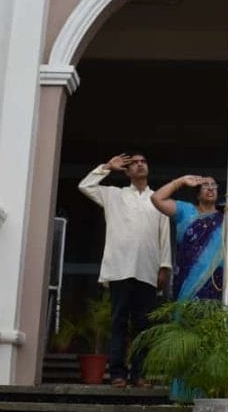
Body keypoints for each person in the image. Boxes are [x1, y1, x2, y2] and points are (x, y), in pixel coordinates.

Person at [78, 153, 171, 389]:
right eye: (134, 163)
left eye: (143, 161)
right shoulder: (114, 195)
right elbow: (85, 185)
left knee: (143, 326)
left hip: (147, 270)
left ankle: (139, 375)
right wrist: (107, 167)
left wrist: (164, 267)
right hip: (119, 269)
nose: (140, 164)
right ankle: (117, 375)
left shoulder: (157, 199)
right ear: (127, 172)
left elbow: (165, 237)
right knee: (119, 322)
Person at [150, 175, 228, 304]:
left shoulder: (226, 221)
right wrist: (181, 181)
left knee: (211, 322)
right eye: (205, 186)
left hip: (214, 284)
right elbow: (156, 198)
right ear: (197, 194)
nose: (210, 189)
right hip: (185, 281)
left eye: (213, 185)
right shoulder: (185, 211)